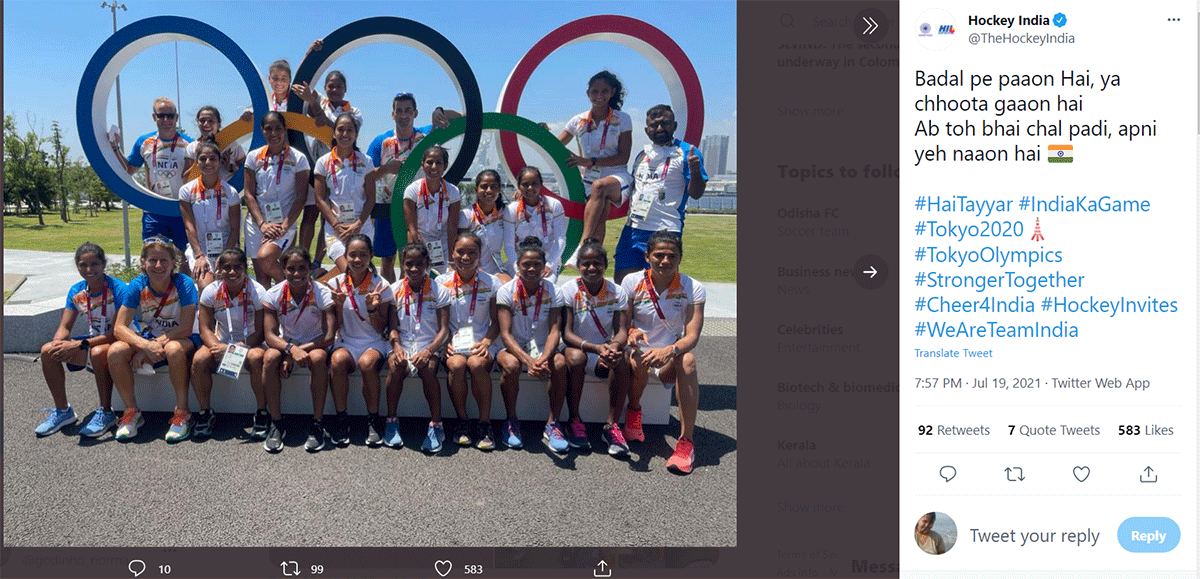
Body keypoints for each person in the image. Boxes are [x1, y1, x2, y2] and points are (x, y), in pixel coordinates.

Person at [622, 230, 705, 473]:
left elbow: (692, 336)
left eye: (672, 256)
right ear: (647, 256)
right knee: (637, 358)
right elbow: (623, 323)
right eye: (659, 255)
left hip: (668, 356)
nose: (665, 261)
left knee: (688, 360)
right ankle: (634, 412)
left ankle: (686, 442)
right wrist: (631, 332)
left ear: (680, 258)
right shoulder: (631, 281)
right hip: (639, 353)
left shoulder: (694, 287)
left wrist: (670, 350)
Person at [107, 237, 201, 442]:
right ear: (143, 262)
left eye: (164, 261)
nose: (158, 266)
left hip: (184, 337)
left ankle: (182, 413)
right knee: (115, 351)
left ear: (173, 263)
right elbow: (119, 327)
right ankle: (132, 412)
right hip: (151, 339)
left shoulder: (183, 283)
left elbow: (185, 328)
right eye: (152, 260)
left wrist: (150, 346)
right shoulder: (137, 285)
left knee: (174, 349)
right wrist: (144, 345)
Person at [36, 243, 129, 437]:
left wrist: (79, 344)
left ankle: (105, 411)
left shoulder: (118, 289)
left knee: (97, 351)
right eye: (82, 265)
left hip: (120, 341)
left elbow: (118, 332)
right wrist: (59, 344)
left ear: (104, 264)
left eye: (94, 264)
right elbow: (64, 327)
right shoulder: (76, 291)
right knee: (47, 351)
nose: (89, 270)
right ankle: (63, 411)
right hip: (94, 340)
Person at [613, 105, 708, 283]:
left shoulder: (687, 152)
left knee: (660, 285)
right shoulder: (642, 154)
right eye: (654, 125)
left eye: (665, 123)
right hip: (634, 227)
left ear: (674, 125)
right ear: (646, 129)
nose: (659, 129)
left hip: (666, 228)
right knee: (624, 283)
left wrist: (695, 171)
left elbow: (696, 194)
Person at [495, 237, 569, 452]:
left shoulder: (555, 291)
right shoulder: (506, 291)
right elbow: (505, 334)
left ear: (544, 267)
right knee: (511, 366)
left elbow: (555, 330)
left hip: (543, 347)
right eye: (526, 264)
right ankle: (511, 421)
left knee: (561, 363)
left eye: (537, 264)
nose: (531, 268)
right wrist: (529, 361)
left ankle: (552, 424)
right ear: (517, 266)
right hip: (512, 347)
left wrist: (544, 358)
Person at [261, 246, 337, 452]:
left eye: (302, 268)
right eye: (291, 269)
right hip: (286, 344)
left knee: (319, 358)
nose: (297, 274)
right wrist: (290, 349)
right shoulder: (273, 294)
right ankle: (276, 422)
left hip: (315, 343)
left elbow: (329, 336)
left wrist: (296, 352)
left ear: (310, 268)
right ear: (283, 269)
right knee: (269, 357)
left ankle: (317, 422)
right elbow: (269, 335)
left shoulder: (322, 292)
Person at [561, 239, 631, 456]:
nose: (591, 268)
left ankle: (612, 427)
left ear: (605, 265)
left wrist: (614, 347)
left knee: (621, 360)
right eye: (586, 264)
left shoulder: (617, 291)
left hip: (603, 350)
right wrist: (595, 348)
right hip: (579, 348)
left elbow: (622, 330)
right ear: (578, 266)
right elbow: (567, 333)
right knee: (575, 358)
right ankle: (574, 420)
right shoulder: (568, 289)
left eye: (597, 263)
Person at [558, 71, 633, 268]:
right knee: (600, 212)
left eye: (605, 91)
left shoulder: (622, 119)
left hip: (616, 175)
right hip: (588, 178)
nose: (599, 95)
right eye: (595, 91)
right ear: (588, 93)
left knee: (599, 188)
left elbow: (623, 157)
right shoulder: (578, 120)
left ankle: (581, 247)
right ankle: (593, 263)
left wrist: (588, 161)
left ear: (613, 92)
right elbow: (555, 146)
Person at [191, 249, 267, 443]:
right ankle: (205, 412)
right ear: (219, 270)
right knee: (199, 359)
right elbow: (205, 328)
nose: (232, 272)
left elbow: (260, 331)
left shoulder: (257, 291)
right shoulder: (211, 291)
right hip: (221, 341)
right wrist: (216, 347)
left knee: (256, 358)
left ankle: (262, 412)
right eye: (227, 268)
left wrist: (234, 349)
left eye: (237, 267)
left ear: (245, 269)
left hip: (251, 341)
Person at [435, 232, 502, 450]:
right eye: (460, 252)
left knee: (476, 364)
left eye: (472, 252)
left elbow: (496, 321)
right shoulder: (440, 283)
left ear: (480, 255)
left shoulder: (491, 283)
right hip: (452, 344)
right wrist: (445, 344)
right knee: (456, 364)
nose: (465, 257)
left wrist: (487, 342)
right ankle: (462, 422)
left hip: (480, 343)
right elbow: (438, 321)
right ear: (452, 253)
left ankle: (484, 424)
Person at [294, 62, 363, 271]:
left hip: (341, 169)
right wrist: (310, 55)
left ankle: (318, 261)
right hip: (315, 164)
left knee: (330, 217)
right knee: (311, 212)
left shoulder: (354, 111)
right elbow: (301, 84)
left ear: (345, 89)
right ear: (325, 88)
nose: (334, 90)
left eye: (338, 86)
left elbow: (347, 131)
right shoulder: (317, 102)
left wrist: (327, 122)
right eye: (330, 86)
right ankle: (303, 260)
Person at [326, 234, 393, 447]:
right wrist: (337, 306)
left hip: (373, 342)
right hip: (347, 341)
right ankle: (341, 418)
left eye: (363, 255)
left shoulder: (380, 284)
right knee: (336, 361)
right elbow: (334, 328)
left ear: (371, 256)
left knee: (367, 364)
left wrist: (373, 308)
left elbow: (382, 328)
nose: (357, 260)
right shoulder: (334, 283)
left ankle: (373, 419)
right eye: (352, 255)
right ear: (345, 256)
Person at [385, 243, 451, 452]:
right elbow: (392, 328)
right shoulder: (394, 290)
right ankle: (391, 422)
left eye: (419, 264)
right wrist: (396, 347)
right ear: (402, 265)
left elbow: (443, 331)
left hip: (428, 345)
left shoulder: (440, 290)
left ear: (428, 264)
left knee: (428, 368)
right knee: (396, 367)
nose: (414, 269)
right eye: (408, 264)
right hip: (402, 344)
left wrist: (429, 351)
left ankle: (436, 425)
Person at [367, 93, 434, 283]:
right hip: (387, 206)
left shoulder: (426, 135)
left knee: (413, 257)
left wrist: (440, 112)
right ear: (392, 114)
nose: (403, 115)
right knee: (387, 259)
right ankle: (390, 299)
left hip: (418, 207)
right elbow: (366, 176)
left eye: (408, 110)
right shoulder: (381, 141)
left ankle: (411, 299)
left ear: (415, 113)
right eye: (399, 111)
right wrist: (387, 169)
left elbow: (460, 117)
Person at [113, 97, 194, 252]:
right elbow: (130, 169)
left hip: (182, 209)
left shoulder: (190, 144)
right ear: (154, 117)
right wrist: (115, 147)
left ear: (176, 117)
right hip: (154, 209)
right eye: (161, 115)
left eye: (170, 116)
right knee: (153, 255)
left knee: (184, 258)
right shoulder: (144, 142)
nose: (166, 120)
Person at [243, 111, 311, 286]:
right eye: (268, 129)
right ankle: (273, 311)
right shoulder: (253, 157)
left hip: (283, 225)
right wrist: (262, 225)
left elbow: (301, 197)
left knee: (266, 258)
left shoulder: (299, 158)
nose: (273, 133)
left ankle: (300, 287)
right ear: (262, 131)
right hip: (257, 224)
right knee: (262, 279)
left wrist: (285, 226)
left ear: (285, 129)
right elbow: (249, 194)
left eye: (278, 128)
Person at [314, 113, 380, 274]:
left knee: (360, 272)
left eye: (350, 130)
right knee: (348, 272)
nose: (345, 134)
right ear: (334, 133)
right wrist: (336, 225)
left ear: (356, 134)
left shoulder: (366, 161)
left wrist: (358, 224)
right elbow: (319, 199)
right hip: (337, 230)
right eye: (341, 130)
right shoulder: (323, 162)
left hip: (361, 227)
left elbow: (371, 198)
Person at [179, 142, 241, 291]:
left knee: (226, 287)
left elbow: (234, 229)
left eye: (213, 159)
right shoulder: (186, 191)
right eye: (203, 158)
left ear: (220, 162)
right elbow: (189, 226)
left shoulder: (231, 192)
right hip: (200, 249)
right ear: (196, 162)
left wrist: (225, 257)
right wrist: (199, 256)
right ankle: (204, 315)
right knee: (206, 286)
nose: (208, 163)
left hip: (227, 248)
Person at [403, 145, 461, 276]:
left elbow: (452, 228)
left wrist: (452, 260)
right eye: (429, 162)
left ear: (445, 166)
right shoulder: (412, 190)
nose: (434, 167)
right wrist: (417, 253)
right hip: (420, 242)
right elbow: (412, 228)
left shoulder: (453, 191)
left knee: (446, 281)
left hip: (443, 245)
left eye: (438, 162)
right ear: (422, 164)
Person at [502, 167, 566, 283]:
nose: (530, 188)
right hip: (522, 261)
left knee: (546, 286)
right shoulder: (511, 210)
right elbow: (509, 245)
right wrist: (517, 268)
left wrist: (550, 265)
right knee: (518, 285)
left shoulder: (554, 205)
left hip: (548, 260)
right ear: (519, 187)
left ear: (541, 184)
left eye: (534, 183)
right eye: (525, 184)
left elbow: (560, 239)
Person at [459, 169, 509, 283]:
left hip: (496, 267)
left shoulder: (505, 212)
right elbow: (462, 248)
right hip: (472, 268)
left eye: (493, 186)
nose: (489, 190)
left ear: (499, 189)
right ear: (476, 189)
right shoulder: (466, 215)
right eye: (484, 186)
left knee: (509, 288)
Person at [183, 106, 246, 183]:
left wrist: (230, 167)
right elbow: (185, 179)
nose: (206, 124)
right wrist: (199, 162)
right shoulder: (192, 147)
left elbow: (247, 172)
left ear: (218, 124)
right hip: (201, 193)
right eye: (202, 120)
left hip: (226, 192)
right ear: (198, 123)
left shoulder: (232, 145)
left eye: (211, 121)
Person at [240, 59, 294, 123]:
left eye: (284, 79)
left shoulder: (298, 101)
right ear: (269, 79)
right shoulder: (264, 102)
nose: (279, 82)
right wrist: (247, 114)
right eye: (275, 78)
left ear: (290, 79)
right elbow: (248, 114)